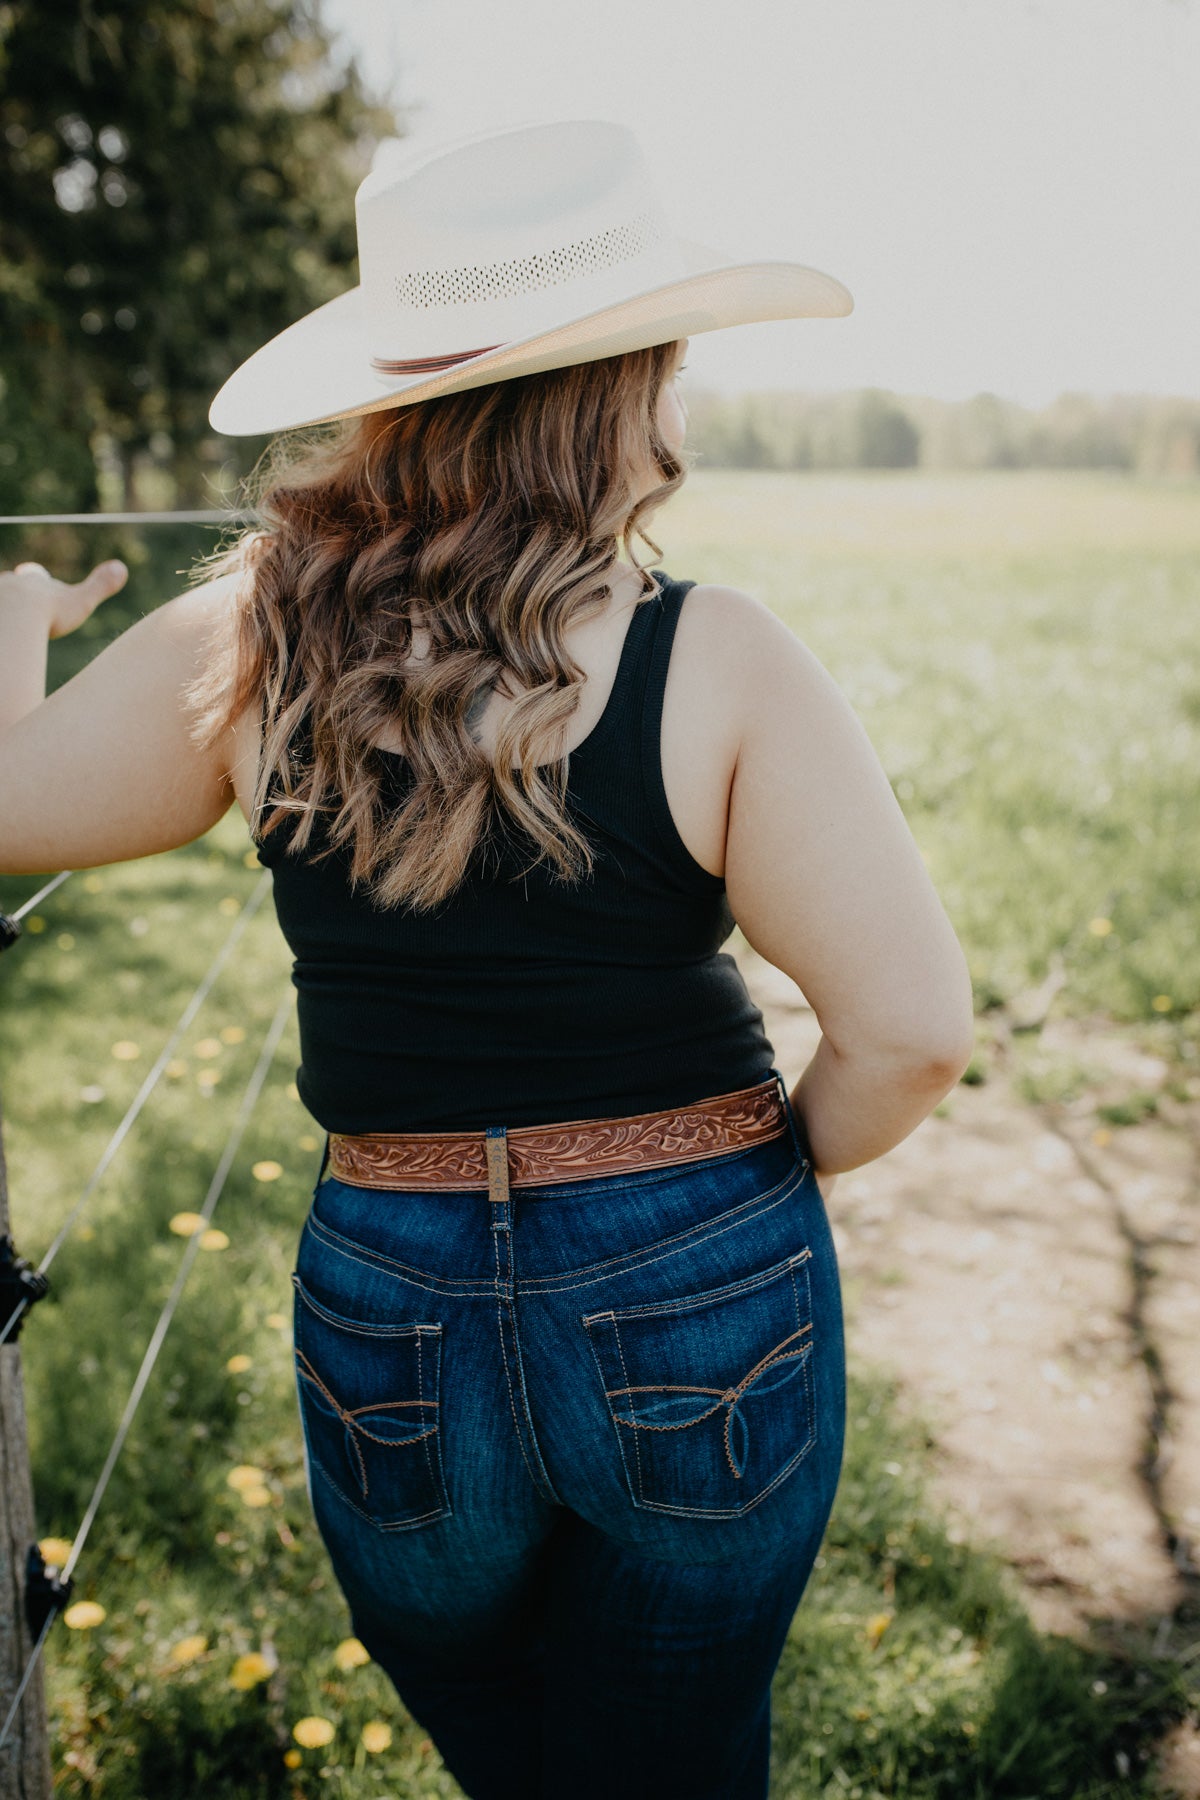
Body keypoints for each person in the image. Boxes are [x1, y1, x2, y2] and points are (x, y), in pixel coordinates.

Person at [0, 121, 975, 1799]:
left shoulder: (251, 640)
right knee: (675, 1746)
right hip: (703, 1264)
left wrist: (16, 625)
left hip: (389, 1289)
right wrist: (727, 1185)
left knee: (495, 1724)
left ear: (396, 391)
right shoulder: (719, 655)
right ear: (628, 387)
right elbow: (912, 1035)